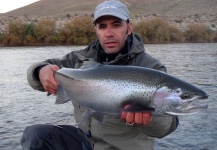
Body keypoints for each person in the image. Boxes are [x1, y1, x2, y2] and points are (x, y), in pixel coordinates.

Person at [21, 0, 179, 150]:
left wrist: (151, 117)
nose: (109, 33)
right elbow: (39, 71)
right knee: (36, 136)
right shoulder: (79, 60)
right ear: (96, 30)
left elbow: (167, 126)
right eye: (103, 26)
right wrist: (40, 71)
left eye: (116, 25)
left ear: (129, 28)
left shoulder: (150, 67)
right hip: (86, 143)